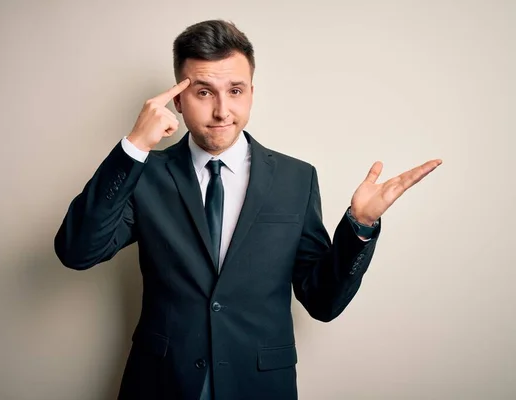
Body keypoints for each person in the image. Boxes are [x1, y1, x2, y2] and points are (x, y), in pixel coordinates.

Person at [54, 19, 442, 400]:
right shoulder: (146, 175)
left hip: (259, 385)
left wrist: (360, 225)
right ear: (177, 100)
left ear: (252, 93)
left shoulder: (296, 178)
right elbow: (78, 251)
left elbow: (322, 302)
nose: (223, 110)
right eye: (204, 92)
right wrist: (134, 147)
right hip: (161, 383)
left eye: (235, 90)